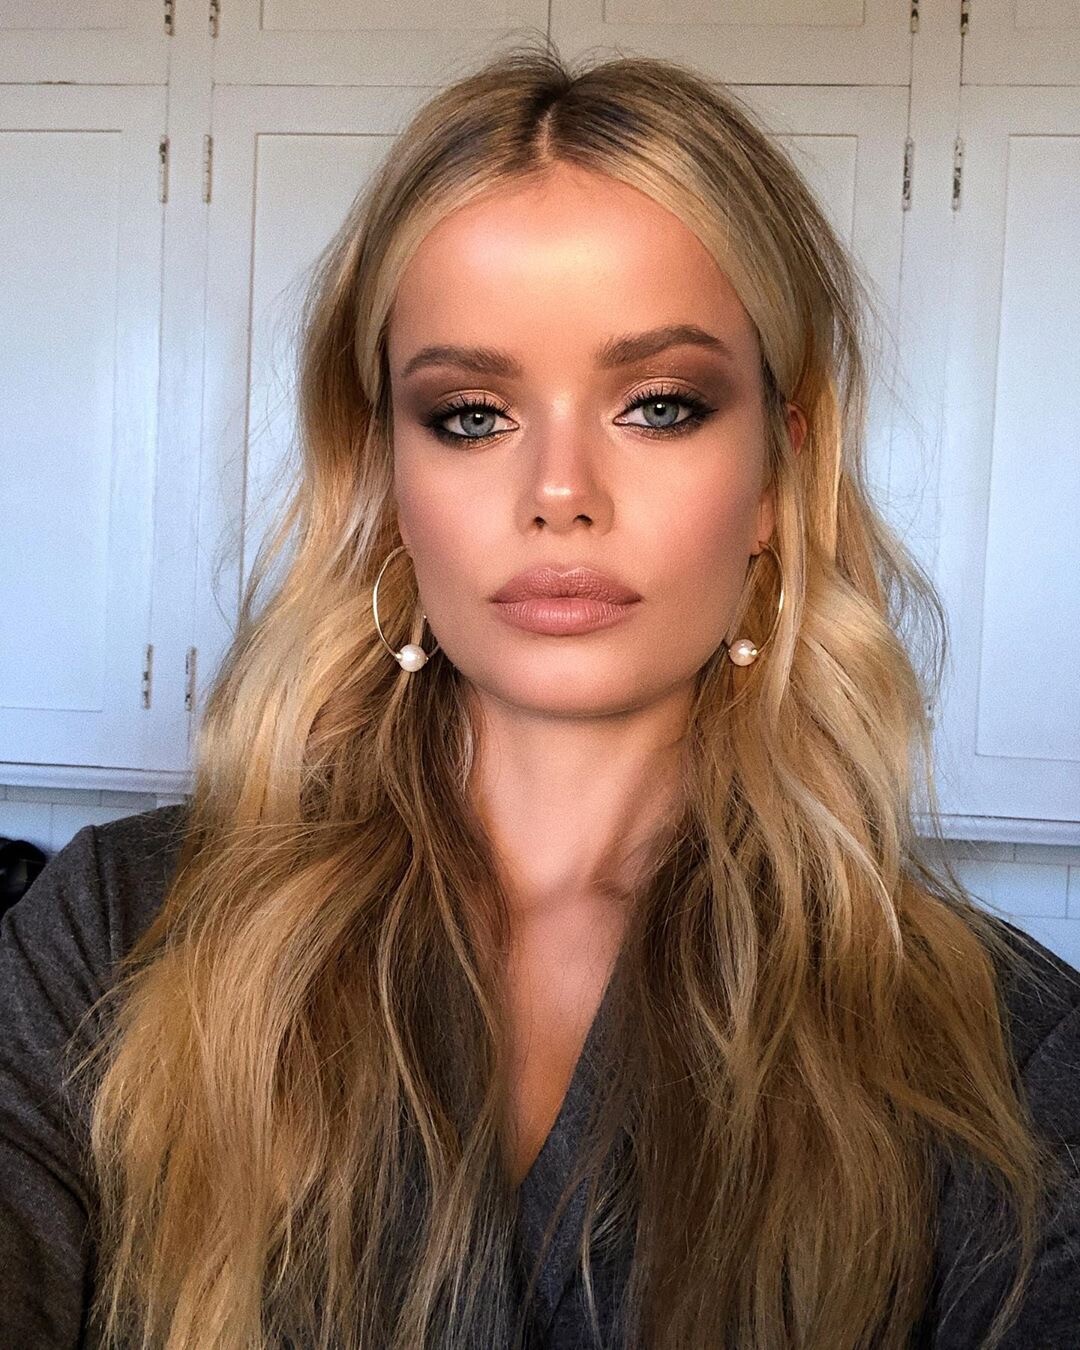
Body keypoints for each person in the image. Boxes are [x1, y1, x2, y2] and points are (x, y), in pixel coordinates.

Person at [2, 36, 1079, 1350]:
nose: (559, 492)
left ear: (776, 478)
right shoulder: (113, 937)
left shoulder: (1001, 1059)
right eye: (471, 414)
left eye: (661, 405)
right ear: (387, 477)